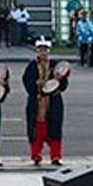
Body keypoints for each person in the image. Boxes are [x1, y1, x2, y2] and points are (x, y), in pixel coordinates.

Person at [23, 36, 68, 165]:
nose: (43, 52)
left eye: (45, 50)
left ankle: (55, 156)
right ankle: (36, 155)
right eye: (41, 50)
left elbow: (64, 85)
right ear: (37, 51)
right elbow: (27, 82)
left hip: (53, 101)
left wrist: (60, 81)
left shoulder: (55, 65)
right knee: (36, 128)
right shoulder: (32, 66)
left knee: (54, 128)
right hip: (37, 101)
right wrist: (38, 85)